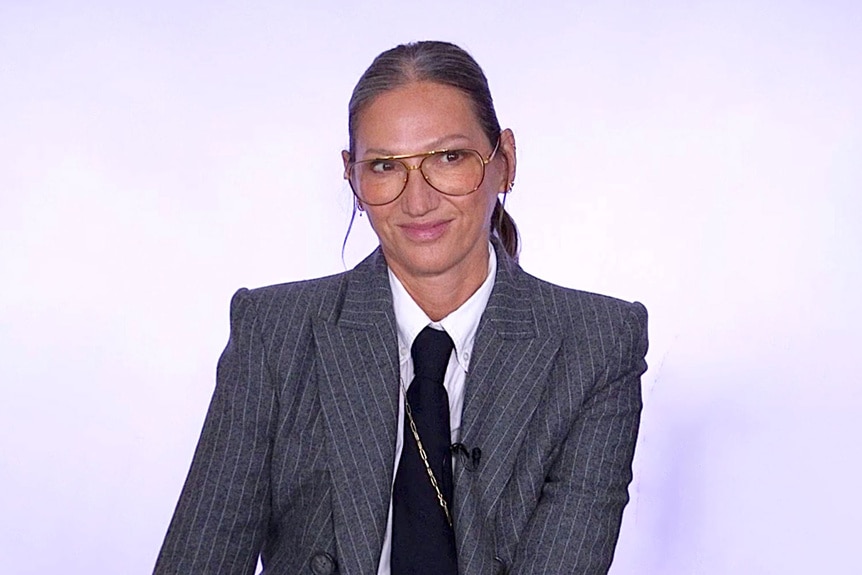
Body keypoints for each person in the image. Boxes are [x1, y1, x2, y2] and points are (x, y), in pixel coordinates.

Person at [154, 40, 648, 575]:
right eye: (386, 165)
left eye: (449, 158)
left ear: (504, 161)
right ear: (353, 177)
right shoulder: (274, 333)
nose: (418, 201)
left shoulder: (597, 344)